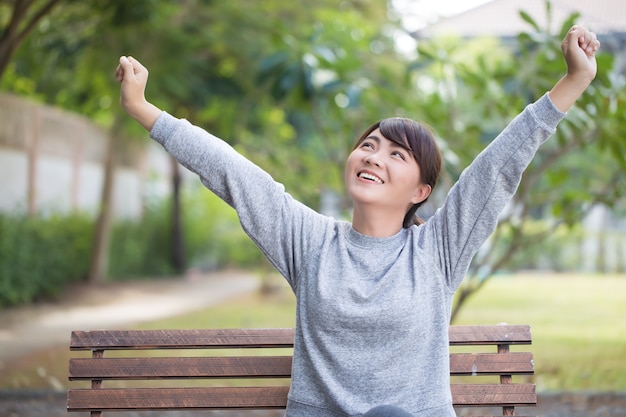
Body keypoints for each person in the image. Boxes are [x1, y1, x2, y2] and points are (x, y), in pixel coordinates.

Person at [115, 25, 600, 417]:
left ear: (420, 192)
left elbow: (497, 166)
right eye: (368, 145)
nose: (373, 157)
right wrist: (143, 109)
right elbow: (231, 171)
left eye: (396, 153)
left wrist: (574, 81)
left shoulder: (437, 251)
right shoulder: (309, 242)